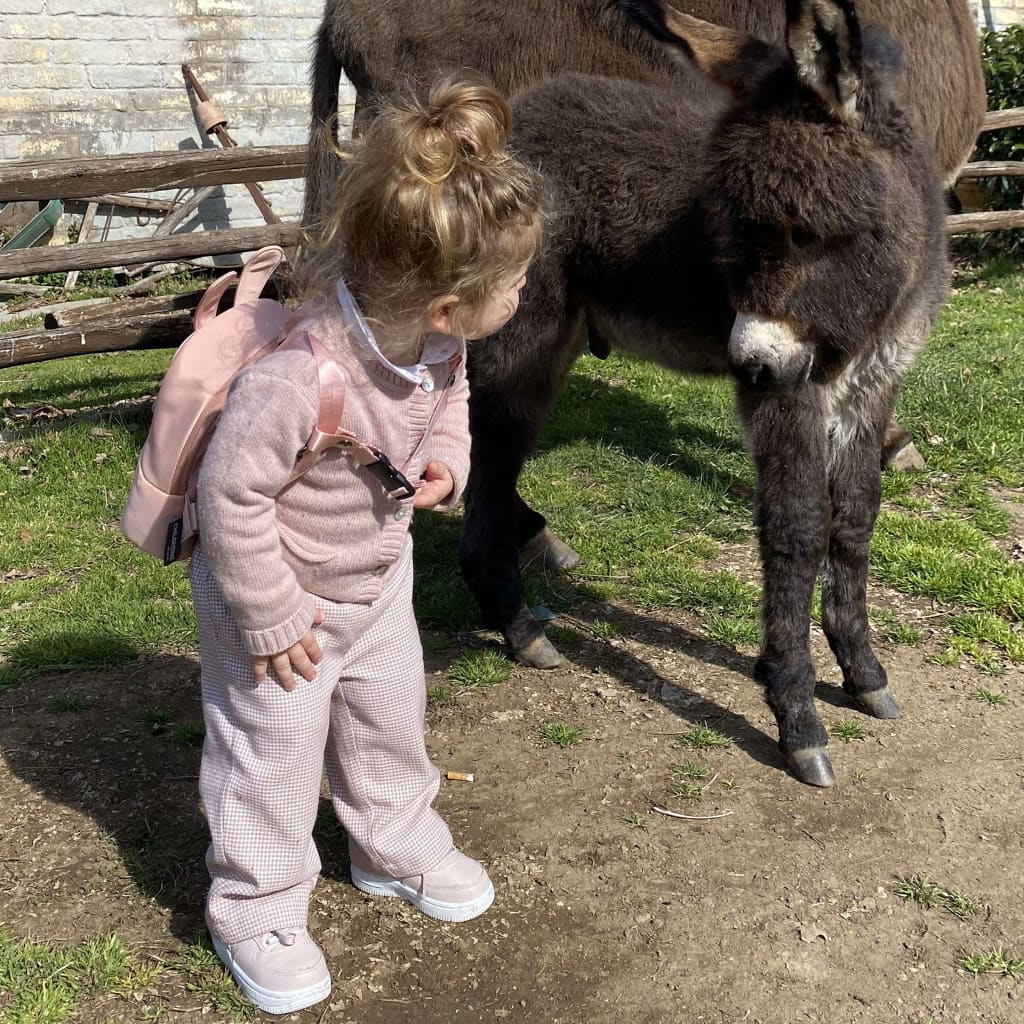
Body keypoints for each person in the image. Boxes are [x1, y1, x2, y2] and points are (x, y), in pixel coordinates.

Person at [189, 75, 545, 1015]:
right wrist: (268, 618)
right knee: (271, 757)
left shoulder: (437, 349)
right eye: (514, 284)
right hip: (282, 601)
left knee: (389, 720)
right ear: (445, 302)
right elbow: (230, 494)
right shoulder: (302, 381)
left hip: (376, 583)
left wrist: (452, 463)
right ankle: (255, 905)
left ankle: (392, 841)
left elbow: (451, 401)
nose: (524, 294)